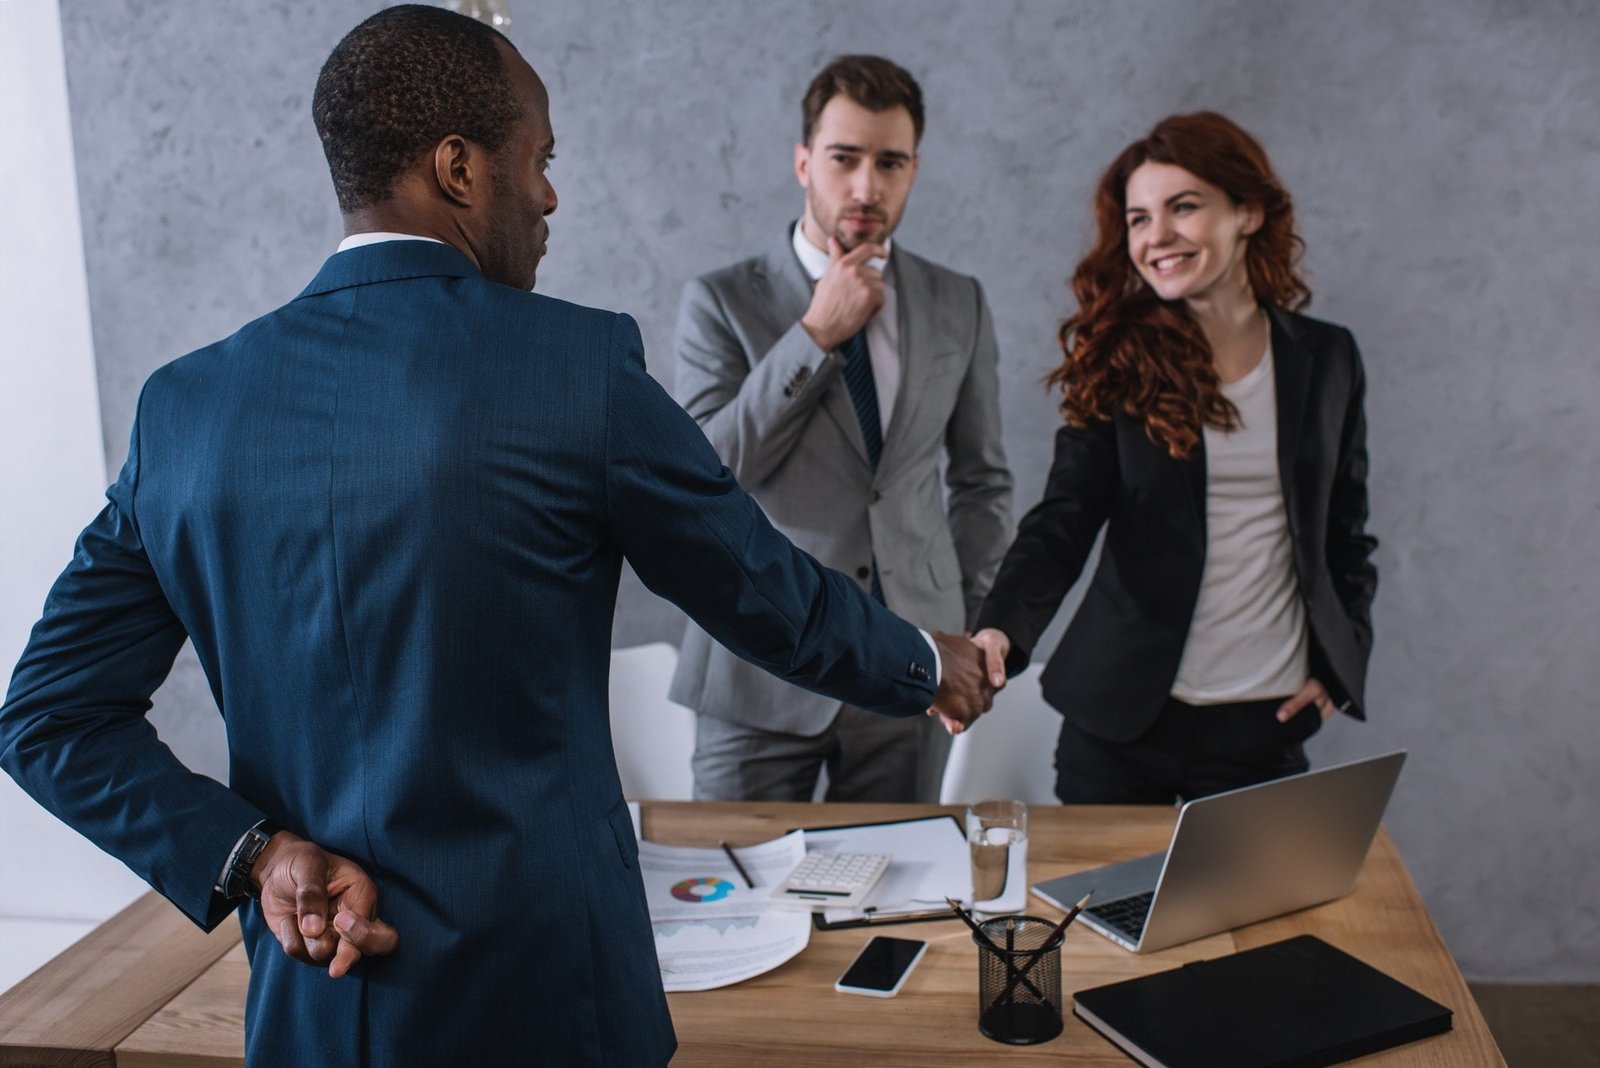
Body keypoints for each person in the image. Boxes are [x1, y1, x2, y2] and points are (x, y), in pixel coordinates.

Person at [0, 9, 994, 1065]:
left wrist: (254, 856)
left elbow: (49, 719)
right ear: (459, 169)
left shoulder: (183, 409)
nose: (552, 193)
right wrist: (930, 662)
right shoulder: (575, 370)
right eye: (541, 156)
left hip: (320, 1012)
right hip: (554, 1000)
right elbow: (764, 594)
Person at [970, 111, 1378, 804]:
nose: (1155, 236)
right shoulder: (1119, 360)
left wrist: (1344, 664)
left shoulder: (1327, 356)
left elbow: (1346, 532)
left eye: (1183, 207)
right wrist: (999, 631)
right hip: (1120, 727)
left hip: (1264, 726)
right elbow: (1063, 521)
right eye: (1137, 218)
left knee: (1247, 919)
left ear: (1247, 211)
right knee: (1102, 916)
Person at [668, 55, 1014, 804]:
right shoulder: (721, 301)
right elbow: (705, 473)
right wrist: (815, 335)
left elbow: (982, 481)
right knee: (738, 902)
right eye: (844, 158)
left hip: (912, 670)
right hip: (757, 666)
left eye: (890, 162)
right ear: (803, 163)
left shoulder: (960, 301)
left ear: (914, 169)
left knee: (900, 901)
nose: (867, 186)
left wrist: (966, 624)